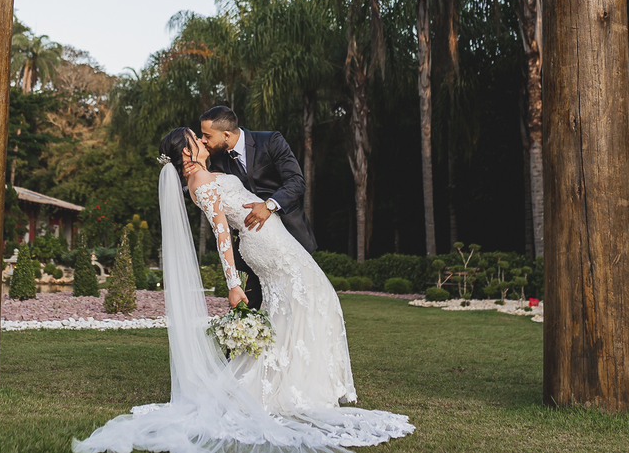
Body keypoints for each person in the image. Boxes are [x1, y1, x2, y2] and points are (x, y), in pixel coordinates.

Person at [73, 128, 414, 453]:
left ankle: (294, 387)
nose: (203, 140)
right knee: (318, 298)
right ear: (187, 151)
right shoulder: (202, 183)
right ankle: (294, 390)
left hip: (269, 240)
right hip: (267, 244)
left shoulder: (201, 177)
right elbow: (222, 234)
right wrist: (233, 285)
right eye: (196, 138)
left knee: (292, 309)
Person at [199, 105, 316, 309]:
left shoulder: (270, 141)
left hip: (289, 235)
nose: (203, 140)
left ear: (226, 134)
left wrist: (269, 205)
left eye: (207, 135)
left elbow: (296, 181)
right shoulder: (216, 159)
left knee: (297, 304)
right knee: (251, 306)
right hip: (251, 245)